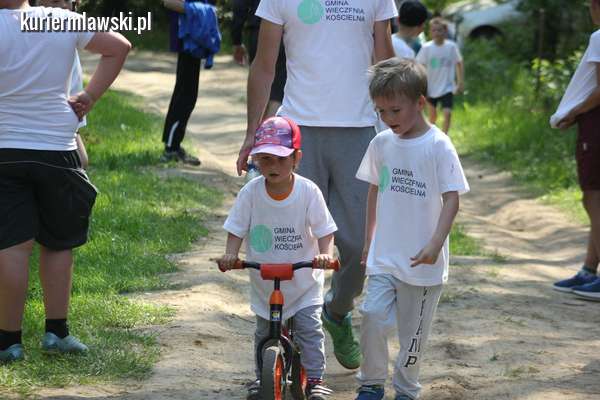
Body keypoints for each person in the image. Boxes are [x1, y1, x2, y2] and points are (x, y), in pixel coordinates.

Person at [236, 0, 398, 371]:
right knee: (293, 240)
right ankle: (288, 336)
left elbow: (386, 63)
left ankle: (336, 311)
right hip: (298, 130)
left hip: (359, 130)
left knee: (358, 244)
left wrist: (398, 128)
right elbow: (264, 65)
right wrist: (251, 134)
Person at [0, 0, 131, 363]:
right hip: (58, 146)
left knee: (12, 247)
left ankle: (8, 342)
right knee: (58, 244)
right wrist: (89, 96)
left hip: (5, 148)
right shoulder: (60, 19)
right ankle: (57, 332)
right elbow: (119, 47)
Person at [354, 58, 469, 400]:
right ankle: (371, 383)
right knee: (372, 314)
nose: (388, 119)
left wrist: (436, 243)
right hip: (385, 255)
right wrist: (369, 240)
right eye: (381, 111)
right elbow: (374, 191)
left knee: (412, 335)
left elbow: (452, 198)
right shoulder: (381, 143)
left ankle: (406, 389)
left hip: (423, 263)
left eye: (395, 110)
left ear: (420, 103)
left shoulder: (438, 145)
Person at [218, 116, 337, 400]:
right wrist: (231, 254)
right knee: (263, 333)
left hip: (304, 281)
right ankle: (262, 378)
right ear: (256, 160)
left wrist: (325, 255)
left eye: (282, 159)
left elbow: (325, 230)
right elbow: (236, 228)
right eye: (266, 159)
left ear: (297, 158)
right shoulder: (250, 193)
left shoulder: (308, 192)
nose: (273, 166)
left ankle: (315, 379)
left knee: (309, 330)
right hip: (265, 281)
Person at [550, 0, 600, 300]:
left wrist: (574, 111)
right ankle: (589, 269)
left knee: (593, 198)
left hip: (596, 126)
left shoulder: (599, 37)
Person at [160, 0, 220, 166]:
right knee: (185, 96)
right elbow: (169, 2)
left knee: (187, 95)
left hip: (193, 38)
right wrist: (199, 10)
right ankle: (171, 148)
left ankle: (173, 145)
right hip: (187, 39)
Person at [40, 0, 89, 169]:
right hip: (33, 133)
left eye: (68, 1)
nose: (63, 6)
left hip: (60, 130)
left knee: (81, 161)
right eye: (55, 0)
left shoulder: (69, 45)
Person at [231, 0, 287, 118]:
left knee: (261, 83)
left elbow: (239, 6)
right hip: (283, 32)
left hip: (257, 31)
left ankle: (257, 127)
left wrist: (236, 40)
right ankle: (270, 127)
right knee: (277, 92)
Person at [416, 17, 464, 134]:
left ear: (445, 31)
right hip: (431, 88)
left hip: (447, 87)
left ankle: (444, 137)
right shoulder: (426, 48)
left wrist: (460, 82)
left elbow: (459, 63)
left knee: (448, 114)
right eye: (434, 30)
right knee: (433, 116)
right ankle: (431, 137)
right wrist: (421, 85)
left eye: (439, 30)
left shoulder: (451, 47)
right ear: (430, 32)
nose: (437, 33)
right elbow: (419, 66)